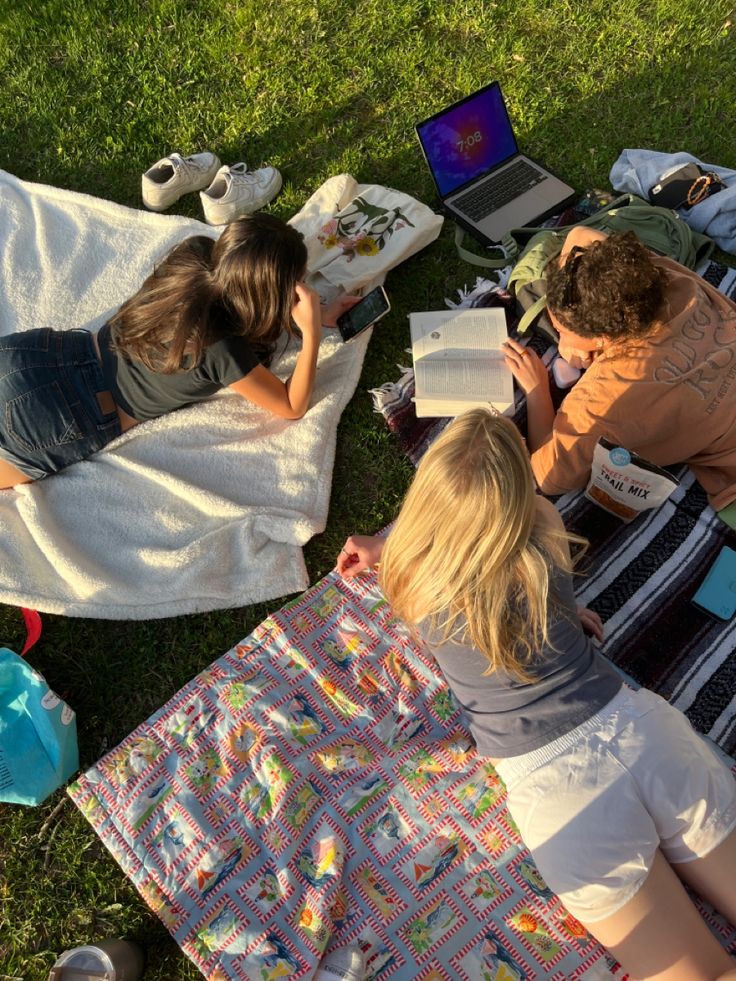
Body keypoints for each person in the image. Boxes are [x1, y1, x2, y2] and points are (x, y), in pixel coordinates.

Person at [336, 409, 736, 980]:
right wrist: (564, 614)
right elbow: (507, 571)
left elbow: (443, 554)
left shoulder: (408, 576)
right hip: (640, 727)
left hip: (560, 792)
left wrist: (381, 544)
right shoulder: (545, 525)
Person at [0, 213, 359, 489]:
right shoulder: (222, 349)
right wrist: (311, 334)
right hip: (66, 412)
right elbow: (291, 406)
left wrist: (313, 314)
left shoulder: (194, 253)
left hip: (38, 354)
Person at [501, 228, 736, 526]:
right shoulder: (660, 278)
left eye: (560, 328)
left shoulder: (608, 398)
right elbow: (579, 235)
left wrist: (537, 391)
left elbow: (547, 476)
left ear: (600, 337)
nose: (558, 333)